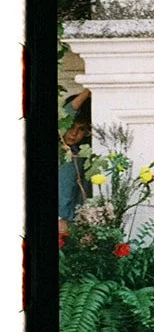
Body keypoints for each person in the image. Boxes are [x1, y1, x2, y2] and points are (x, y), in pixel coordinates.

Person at [58, 88, 91, 238]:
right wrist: (88, 91)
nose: (73, 133)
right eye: (71, 126)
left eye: (80, 129)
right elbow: (67, 113)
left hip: (74, 222)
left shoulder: (81, 154)